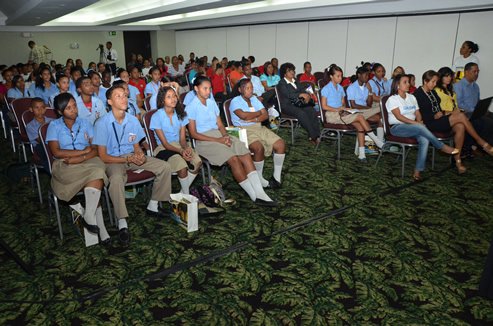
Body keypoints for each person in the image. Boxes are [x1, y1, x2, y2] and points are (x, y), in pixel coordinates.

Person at [94, 84, 172, 246]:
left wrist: (139, 155)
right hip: (113, 159)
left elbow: (136, 144)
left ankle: (153, 204)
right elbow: (102, 156)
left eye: (124, 95)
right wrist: (128, 160)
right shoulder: (102, 123)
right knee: (116, 179)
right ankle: (122, 221)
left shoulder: (132, 120)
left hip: (130, 157)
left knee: (164, 167)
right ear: (109, 102)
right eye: (118, 96)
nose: (124, 99)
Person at [186, 76, 277, 206]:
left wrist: (225, 136)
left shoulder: (211, 103)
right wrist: (218, 140)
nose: (208, 91)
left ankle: (260, 192)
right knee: (233, 159)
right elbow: (194, 134)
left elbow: (220, 124)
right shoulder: (191, 107)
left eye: (209, 88)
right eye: (204, 88)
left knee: (245, 153)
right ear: (196, 89)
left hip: (219, 136)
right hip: (204, 140)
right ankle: (254, 196)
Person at [46, 93, 110, 244]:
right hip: (65, 165)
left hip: (87, 161)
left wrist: (81, 158)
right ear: (60, 112)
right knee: (97, 176)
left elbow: (95, 148)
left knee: (97, 172)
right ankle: (100, 228)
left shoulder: (86, 123)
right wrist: (82, 152)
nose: (74, 110)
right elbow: (56, 152)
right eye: (68, 108)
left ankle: (89, 218)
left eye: (74, 105)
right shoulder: (54, 126)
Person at [415, 70, 493, 174]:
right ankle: (481, 142)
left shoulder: (432, 91)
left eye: (436, 82)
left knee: (460, 126)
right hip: (430, 123)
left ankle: (458, 161)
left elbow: (439, 109)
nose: (435, 84)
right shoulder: (417, 94)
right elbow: (419, 114)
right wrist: (435, 115)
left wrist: (444, 112)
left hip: (439, 119)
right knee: (461, 116)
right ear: (425, 81)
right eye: (433, 82)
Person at [386, 74, 459, 181]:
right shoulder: (392, 99)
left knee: (424, 139)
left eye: (408, 82)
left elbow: (418, 113)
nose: (408, 84)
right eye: (405, 82)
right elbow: (399, 117)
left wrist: (419, 121)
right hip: (397, 128)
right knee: (420, 128)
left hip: (412, 127)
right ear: (397, 85)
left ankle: (417, 171)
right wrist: (417, 124)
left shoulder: (411, 97)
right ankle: (440, 146)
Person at [321, 64, 384, 162]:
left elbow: (342, 103)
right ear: (331, 76)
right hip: (332, 114)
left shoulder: (341, 88)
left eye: (341, 76)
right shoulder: (326, 89)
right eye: (338, 76)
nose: (340, 78)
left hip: (341, 113)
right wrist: (339, 109)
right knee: (360, 117)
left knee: (360, 126)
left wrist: (346, 109)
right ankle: (376, 141)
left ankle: (362, 154)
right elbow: (324, 106)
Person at [230, 79, 286, 188]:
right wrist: (257, 113)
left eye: (251, 88)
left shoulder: (254, 99)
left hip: (258, 126)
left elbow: (265, 115)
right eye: (247, 88)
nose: (250, 90)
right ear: (240, 89)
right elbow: (243, 116)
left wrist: (254, 118)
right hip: (243, 129)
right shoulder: (235, 101)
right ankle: (259, 178)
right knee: (258, 148)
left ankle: (276, 178)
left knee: (280, 144)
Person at [150, 87, 202, 194]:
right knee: (181, 165)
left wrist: (186, 148)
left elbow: (182, 139)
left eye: (174, 96)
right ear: (162, 100)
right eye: (169, 97)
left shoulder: (181, 114)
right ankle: (186, 196)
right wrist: (180, 151)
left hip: (179, 145)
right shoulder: (156, 116)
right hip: (163, 148)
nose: (173, 99)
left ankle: (182, 193)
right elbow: (164, 143)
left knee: (197, 162)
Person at [453, 62, 493, 155]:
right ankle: (486, 147)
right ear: (466, 72)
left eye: (477, 71)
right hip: (466, 113)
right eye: (474, 71)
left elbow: (477, 101)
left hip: (476, 112)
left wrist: (483, 108)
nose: (476, 74)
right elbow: (458, 104)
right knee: (488, 123)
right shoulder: (458, 86)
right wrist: (474, 109)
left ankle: (481, 145)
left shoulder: (475, 86)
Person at [277, 62, 321, 144]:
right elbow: (288, 94)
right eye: (289, 71)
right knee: (301, 113)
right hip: (287, 105)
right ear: (284, 73)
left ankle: (317, 135)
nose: (292, 72)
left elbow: (303, 90)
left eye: (293, 70)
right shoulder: (282, 83)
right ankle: (313, 136)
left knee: (311, 110)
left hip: (299, 103)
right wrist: (300, 94)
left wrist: (307, 96)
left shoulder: (296, 81)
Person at [26, 97, 54, 172]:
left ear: (45, 109)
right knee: (45, 154)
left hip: (54, 142)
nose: (40, 110)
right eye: (36, 108)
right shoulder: (30, 126)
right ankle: (53, 172)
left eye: (42, 107)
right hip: (41, 145)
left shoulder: (52, 121)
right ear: (31, 109)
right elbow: (40, 140)